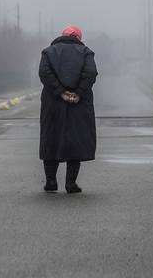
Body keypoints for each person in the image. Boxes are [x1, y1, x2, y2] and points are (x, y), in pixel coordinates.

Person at [38, 25, 98, 194]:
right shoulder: (86, 52)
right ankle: (71, 184)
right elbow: (91, 73)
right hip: (79, 105)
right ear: (78, 38)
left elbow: (44, 73)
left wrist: (60, 92)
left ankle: (51, 182)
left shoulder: (48, 52)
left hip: (52, 103)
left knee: (51, 138)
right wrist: (78, 93)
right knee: (76, 140)